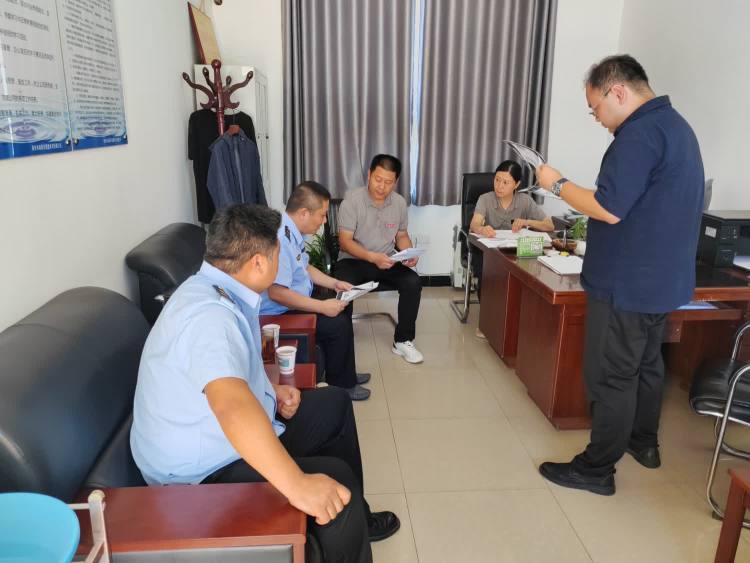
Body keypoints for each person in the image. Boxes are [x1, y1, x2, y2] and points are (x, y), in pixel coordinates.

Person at [130, 204, 400, 562]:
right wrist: (298, 485)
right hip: (199, 472)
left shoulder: (219, 288)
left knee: (334, 403)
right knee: (336, 484)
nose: (280, 261)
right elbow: (230, 405)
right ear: (258, 262)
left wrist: (269, 391)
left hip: (219, 433)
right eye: (276, 254)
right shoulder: (208, 317)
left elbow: (224, 377)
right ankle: (348, 526)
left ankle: (359, 521)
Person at [535, 55, 704, 495]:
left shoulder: (639, 134)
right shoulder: (677, 127)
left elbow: (608, 208)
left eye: (596, 109)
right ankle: (643, 443)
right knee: (647, 365)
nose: (597, 119)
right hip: (660, 283)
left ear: (619, 92)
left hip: (626, 285)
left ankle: (596, 470)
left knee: (612, 375)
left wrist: (556, 184)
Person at [260, 181, 372, 401]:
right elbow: (277, 293)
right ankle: (343, 386)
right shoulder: (280, 239)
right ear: (304, 213)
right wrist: (321, 306)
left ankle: (345, 374)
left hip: (293, 300)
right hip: (278, 313)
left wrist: (334, 283)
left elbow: (305, 266)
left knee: (341, 309)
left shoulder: (292, 230)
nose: (325, 221)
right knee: (337, 323)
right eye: (322, 215)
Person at [335, 154, 424, 364]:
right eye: (378, 179)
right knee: (343, 286)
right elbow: (345, 242)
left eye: (388, 182)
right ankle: (341, 340)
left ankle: (402, 341)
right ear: (369, 175)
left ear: (396, 181)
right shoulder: (352, 201)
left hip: (386, 260)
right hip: (353, 260)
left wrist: (409, 253)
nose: (382, 187)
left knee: (413, 282)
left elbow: (401, 236)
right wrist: (371, 257)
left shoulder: (399, 203)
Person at [469, 159, 554, 338]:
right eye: (497, 180)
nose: (499, 186)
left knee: (531, 271)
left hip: (515, 252)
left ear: (516, 184)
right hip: (488, 251)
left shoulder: (525, 201)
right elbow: (474, 224)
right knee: (486, 272)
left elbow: (549, 225)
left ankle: (520, 320)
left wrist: (527, 222)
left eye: (505, 182)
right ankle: (488, 321)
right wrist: (482, 229)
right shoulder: (485, 199)